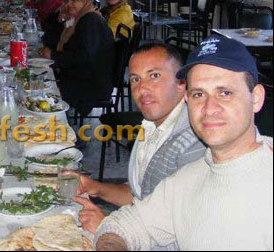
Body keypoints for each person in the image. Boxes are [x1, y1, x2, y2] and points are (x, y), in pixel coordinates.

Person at [94, 36, 273, 251]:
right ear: (187, 99)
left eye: (225, 93)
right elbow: (127, 224)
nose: (209, 108)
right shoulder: (187, 180)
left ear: (256, 98)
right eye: (199, 94)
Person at [72, 42, 206, 239]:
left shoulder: (194, 144)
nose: (142, 89)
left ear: (181, 83)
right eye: (135, 79)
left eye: (154, 76)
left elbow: (180, 235)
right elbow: (141, 196)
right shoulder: (151, 125)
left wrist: (107, 225)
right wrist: (95, 188)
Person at [39, 0, 114, 111]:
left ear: (85, 0)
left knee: (40, 89)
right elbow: (49, 39)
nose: (69, 4)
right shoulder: (77, 19)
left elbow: (84, 58)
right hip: (81, 75)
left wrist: (53, 55)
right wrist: (59, 22)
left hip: (91, 84)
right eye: (66, 0)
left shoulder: (90, 21)